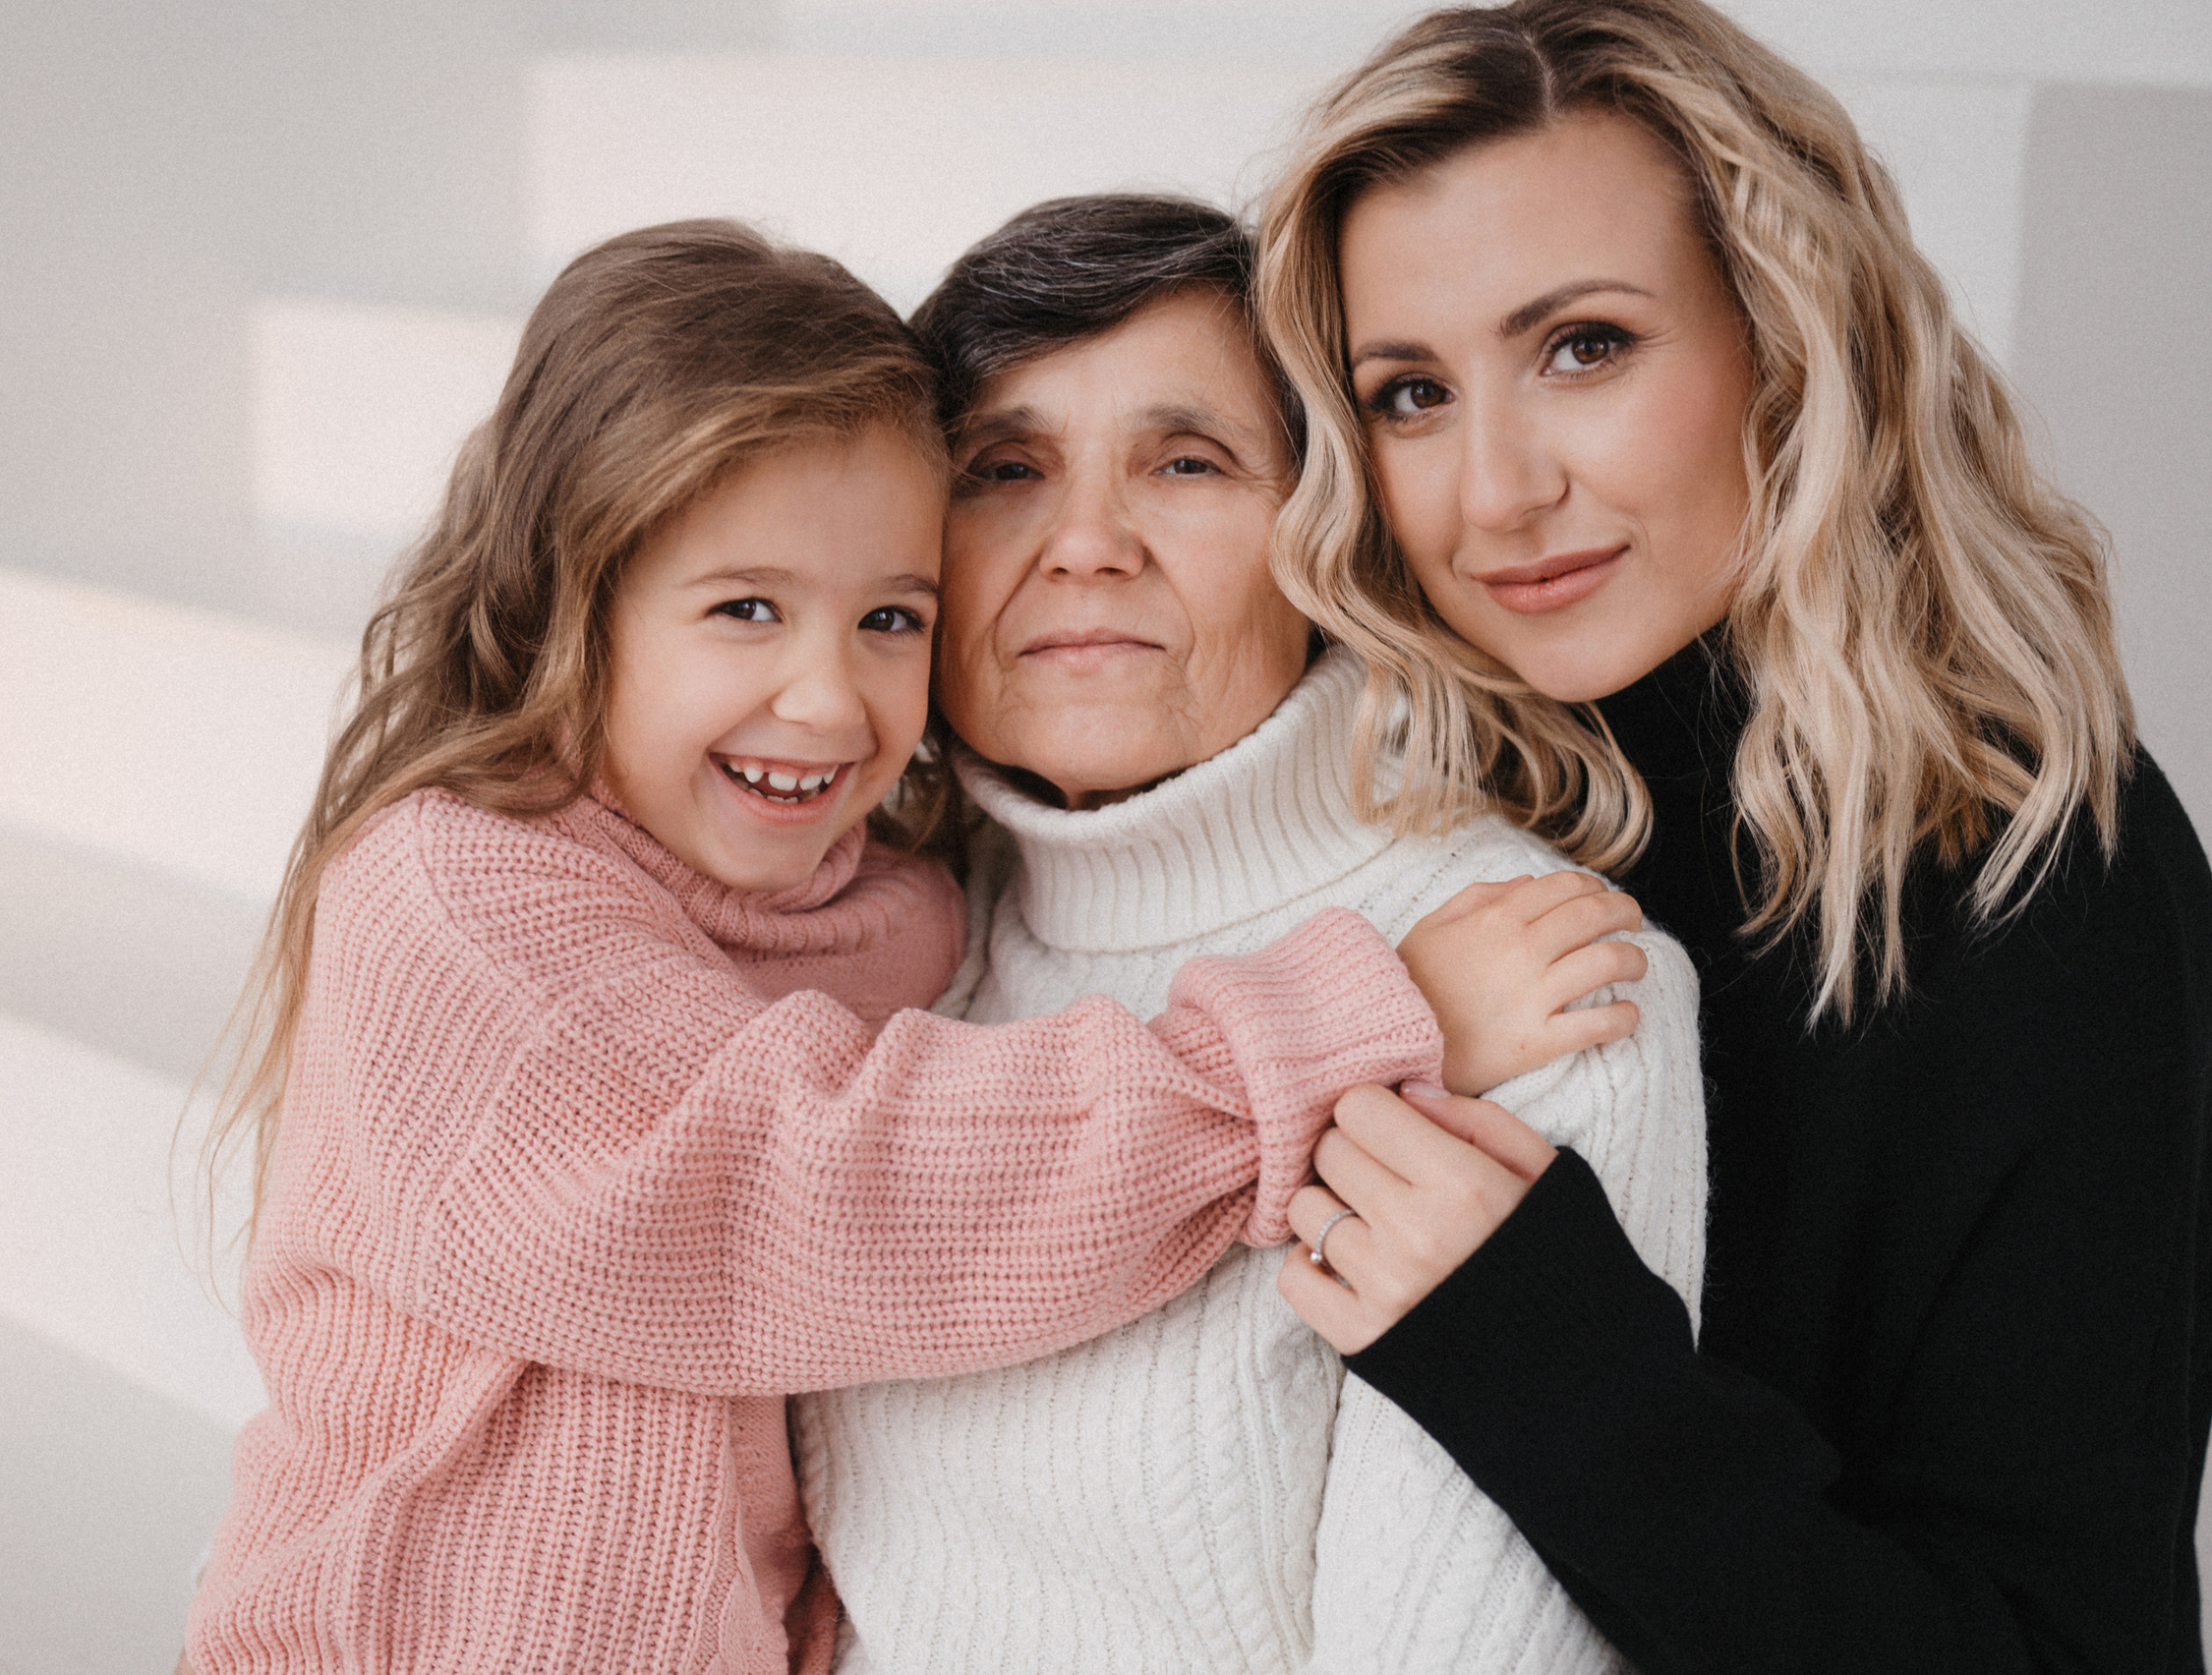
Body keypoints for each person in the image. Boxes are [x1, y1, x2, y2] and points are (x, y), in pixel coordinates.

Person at [176, 220, 1609, 1675]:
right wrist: (1329, 1031)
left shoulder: (898, 913)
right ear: (572, 595)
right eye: (745, 610)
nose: (827, 700)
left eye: (889, 618)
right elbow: (823, 1193)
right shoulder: (461, 901)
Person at [1252, 2, 2212, 1670]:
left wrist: (1549, 1361)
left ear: (1788, 335)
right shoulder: (1353, 817)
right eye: (1408, 393)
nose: (1494, 492)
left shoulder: (2045, 875)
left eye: (1584, 348)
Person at [791, 196, 1707, 1673]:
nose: (1086, 543)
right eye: (1005, 469)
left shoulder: (1540, 979)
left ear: (1326, 532)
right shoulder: (893, 948)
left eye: (1188, 462)